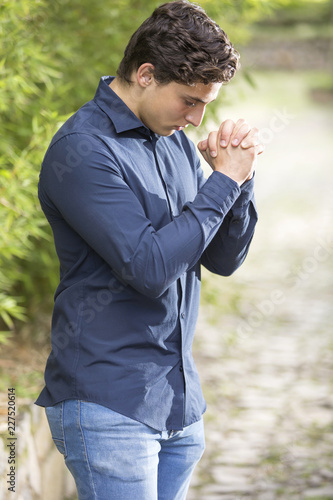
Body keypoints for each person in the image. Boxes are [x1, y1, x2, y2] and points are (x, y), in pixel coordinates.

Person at [35, 1, 263, 498]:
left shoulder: (173, 140)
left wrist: (239, 184)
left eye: (206, 104)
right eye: (189, 100)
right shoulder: (83, 151)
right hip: (109, 406)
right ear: (144, 74)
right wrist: (222, 180)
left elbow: (221, 259)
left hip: (178, 403)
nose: (199, 118)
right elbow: (149, 267)